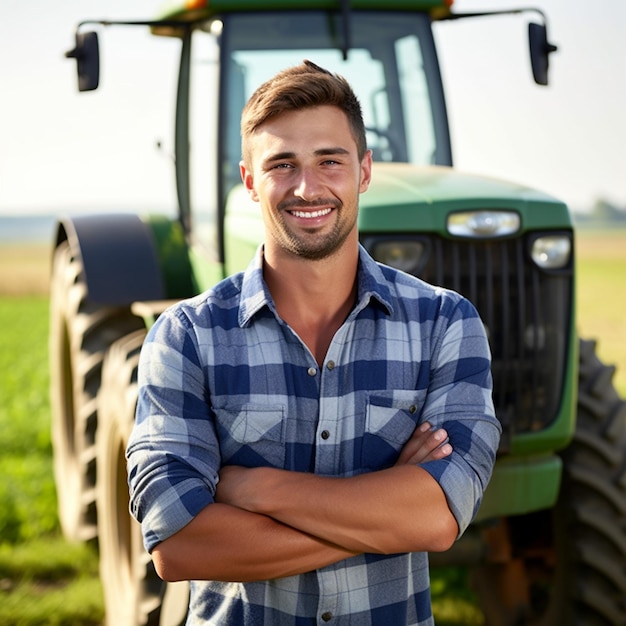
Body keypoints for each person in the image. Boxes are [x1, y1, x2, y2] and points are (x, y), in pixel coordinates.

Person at [126, 60, 501, 625]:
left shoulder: (445, 324)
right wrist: (387, 512)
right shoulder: (187, 337)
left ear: (364, 171)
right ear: (250, 181)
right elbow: (180, 547)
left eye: (330, 160)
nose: (308, 187)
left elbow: (438, 517)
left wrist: (252, 488)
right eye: (282, 164)